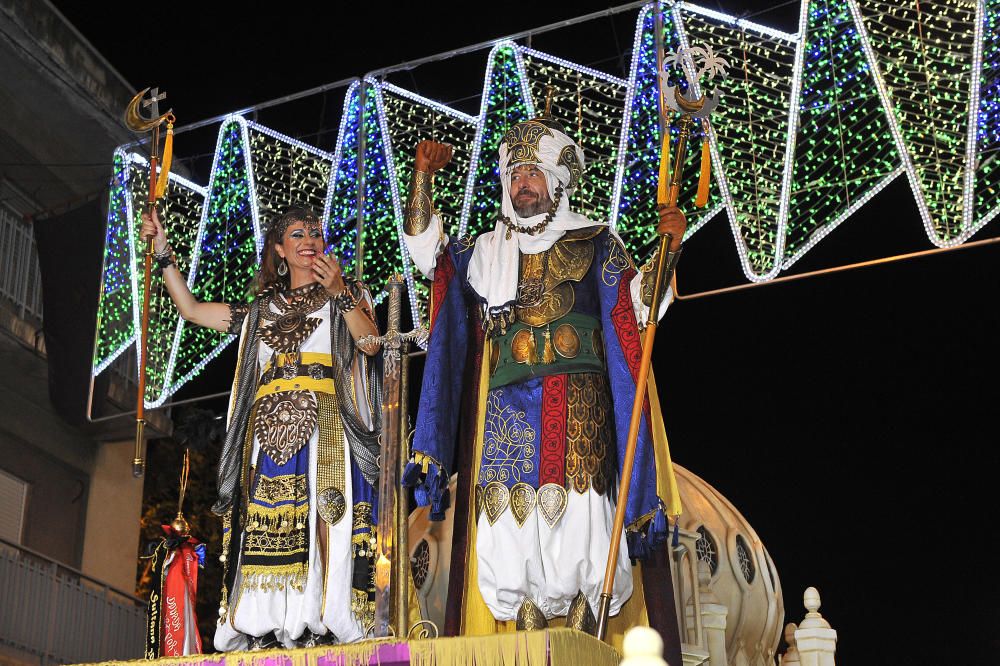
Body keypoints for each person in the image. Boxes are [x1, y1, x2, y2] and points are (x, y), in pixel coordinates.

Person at [401, 114, 687, 649]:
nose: (522, 183)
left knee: (580, 515)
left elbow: (638, 306)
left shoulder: (597, 241)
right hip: (508, 405)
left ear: (556, 182)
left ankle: (584, 636)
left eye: (533, 173)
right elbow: (427, 254)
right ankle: (531, 641)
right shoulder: (486, 251)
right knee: (507, 518)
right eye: (515, 175)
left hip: (579, 402)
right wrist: (421, 179)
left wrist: (667, 250)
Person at [140, 205, 383, 649]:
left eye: (315, 232)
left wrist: (342, 292)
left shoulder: (346, 293)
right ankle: (268, 627)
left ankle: (322, 623)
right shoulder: (259, 312)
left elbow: (369, 344)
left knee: (321, 520)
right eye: (296, 233)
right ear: (279, 249)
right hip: (269, 435)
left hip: (325, 428)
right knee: (267, 527)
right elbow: (191, 309)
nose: (309, 239)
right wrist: (162, 251)